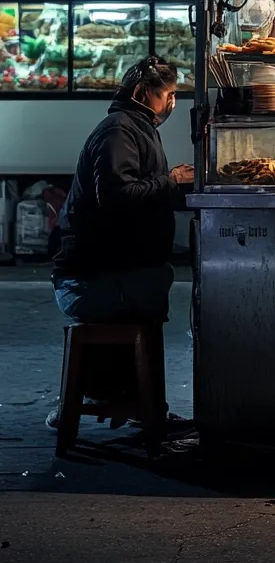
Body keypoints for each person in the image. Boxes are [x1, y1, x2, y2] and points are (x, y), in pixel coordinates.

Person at [46, 57, 193, 427]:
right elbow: (118, 196)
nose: (172, 103)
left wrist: (181, 190)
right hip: (88, 281)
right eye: (169, 94)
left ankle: (128, 399)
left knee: (156, 278)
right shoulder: (119, 132)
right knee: (156, 282)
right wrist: (172, 181)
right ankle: (139, 407)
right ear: (144, 94)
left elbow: (147, 195)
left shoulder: (138, 128)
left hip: (104, 273)